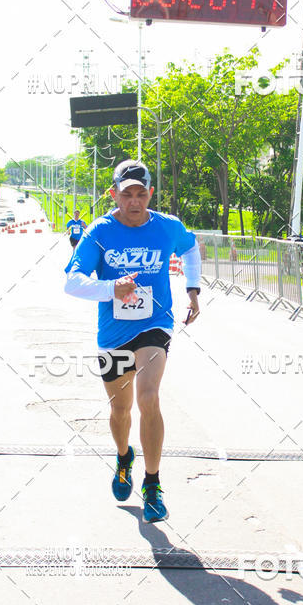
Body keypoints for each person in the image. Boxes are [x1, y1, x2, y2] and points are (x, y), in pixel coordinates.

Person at [64, 159, 201, 523]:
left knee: (149, 397)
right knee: (120, 410)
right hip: (113, 334)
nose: (135, 202)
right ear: (114, 195)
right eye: (127, 195)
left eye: (142, 194)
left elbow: (190, 248)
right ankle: (124, 456)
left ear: (150, 194)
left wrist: (192, 288)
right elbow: (72, 282)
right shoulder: (99, 231)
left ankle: (152, 483)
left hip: (155, 325)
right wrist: (111, 288)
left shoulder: (167, 227)